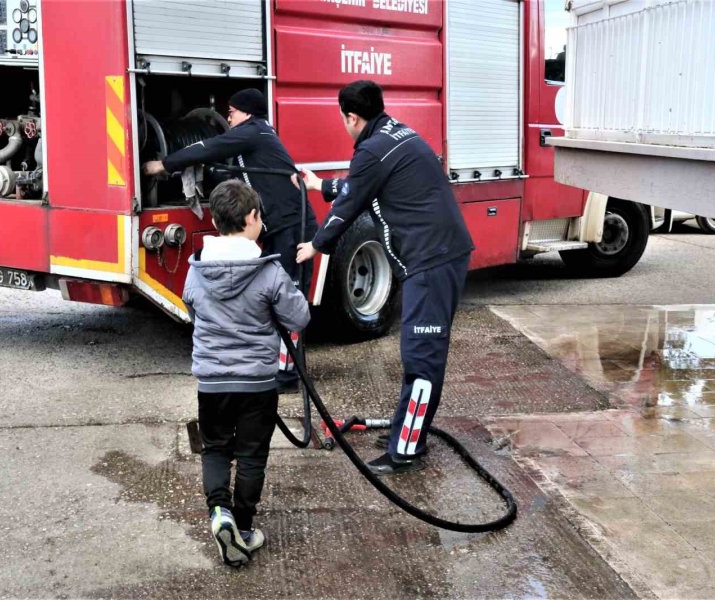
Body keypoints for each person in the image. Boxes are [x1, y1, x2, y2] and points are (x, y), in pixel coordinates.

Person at [294, 80, 474, 476]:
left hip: (433, 260)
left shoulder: (372, 149)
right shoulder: (396, 133)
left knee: (421, 357)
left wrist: (316, 245)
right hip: (439, 254)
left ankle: (405, 450)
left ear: (352, 117)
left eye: (343, 119)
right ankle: (411, 433)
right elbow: (362, 187)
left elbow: (349, 204)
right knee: (420, 354)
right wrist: (317, 184)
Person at [144, 88, 317, 393]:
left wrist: (164, 165)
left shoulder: (252, 132)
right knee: (281, 299)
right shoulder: (256, 135)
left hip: (294, 228)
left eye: (233, 111)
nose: (228, 117)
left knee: (288, 299)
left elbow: (206, 147)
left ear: (248, 113)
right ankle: (284, 368)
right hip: (280, 227)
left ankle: (288, 377)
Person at [182, 179, 310, 567]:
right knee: (252, 455)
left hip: (212, 382)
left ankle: (218, 512)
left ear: (218, 221)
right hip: (257, 383)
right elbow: (299, 317)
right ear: (252, 218)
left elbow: (193, 310)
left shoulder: (196, 271)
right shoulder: (268, 273)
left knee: (216, 448)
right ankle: (244, 527)